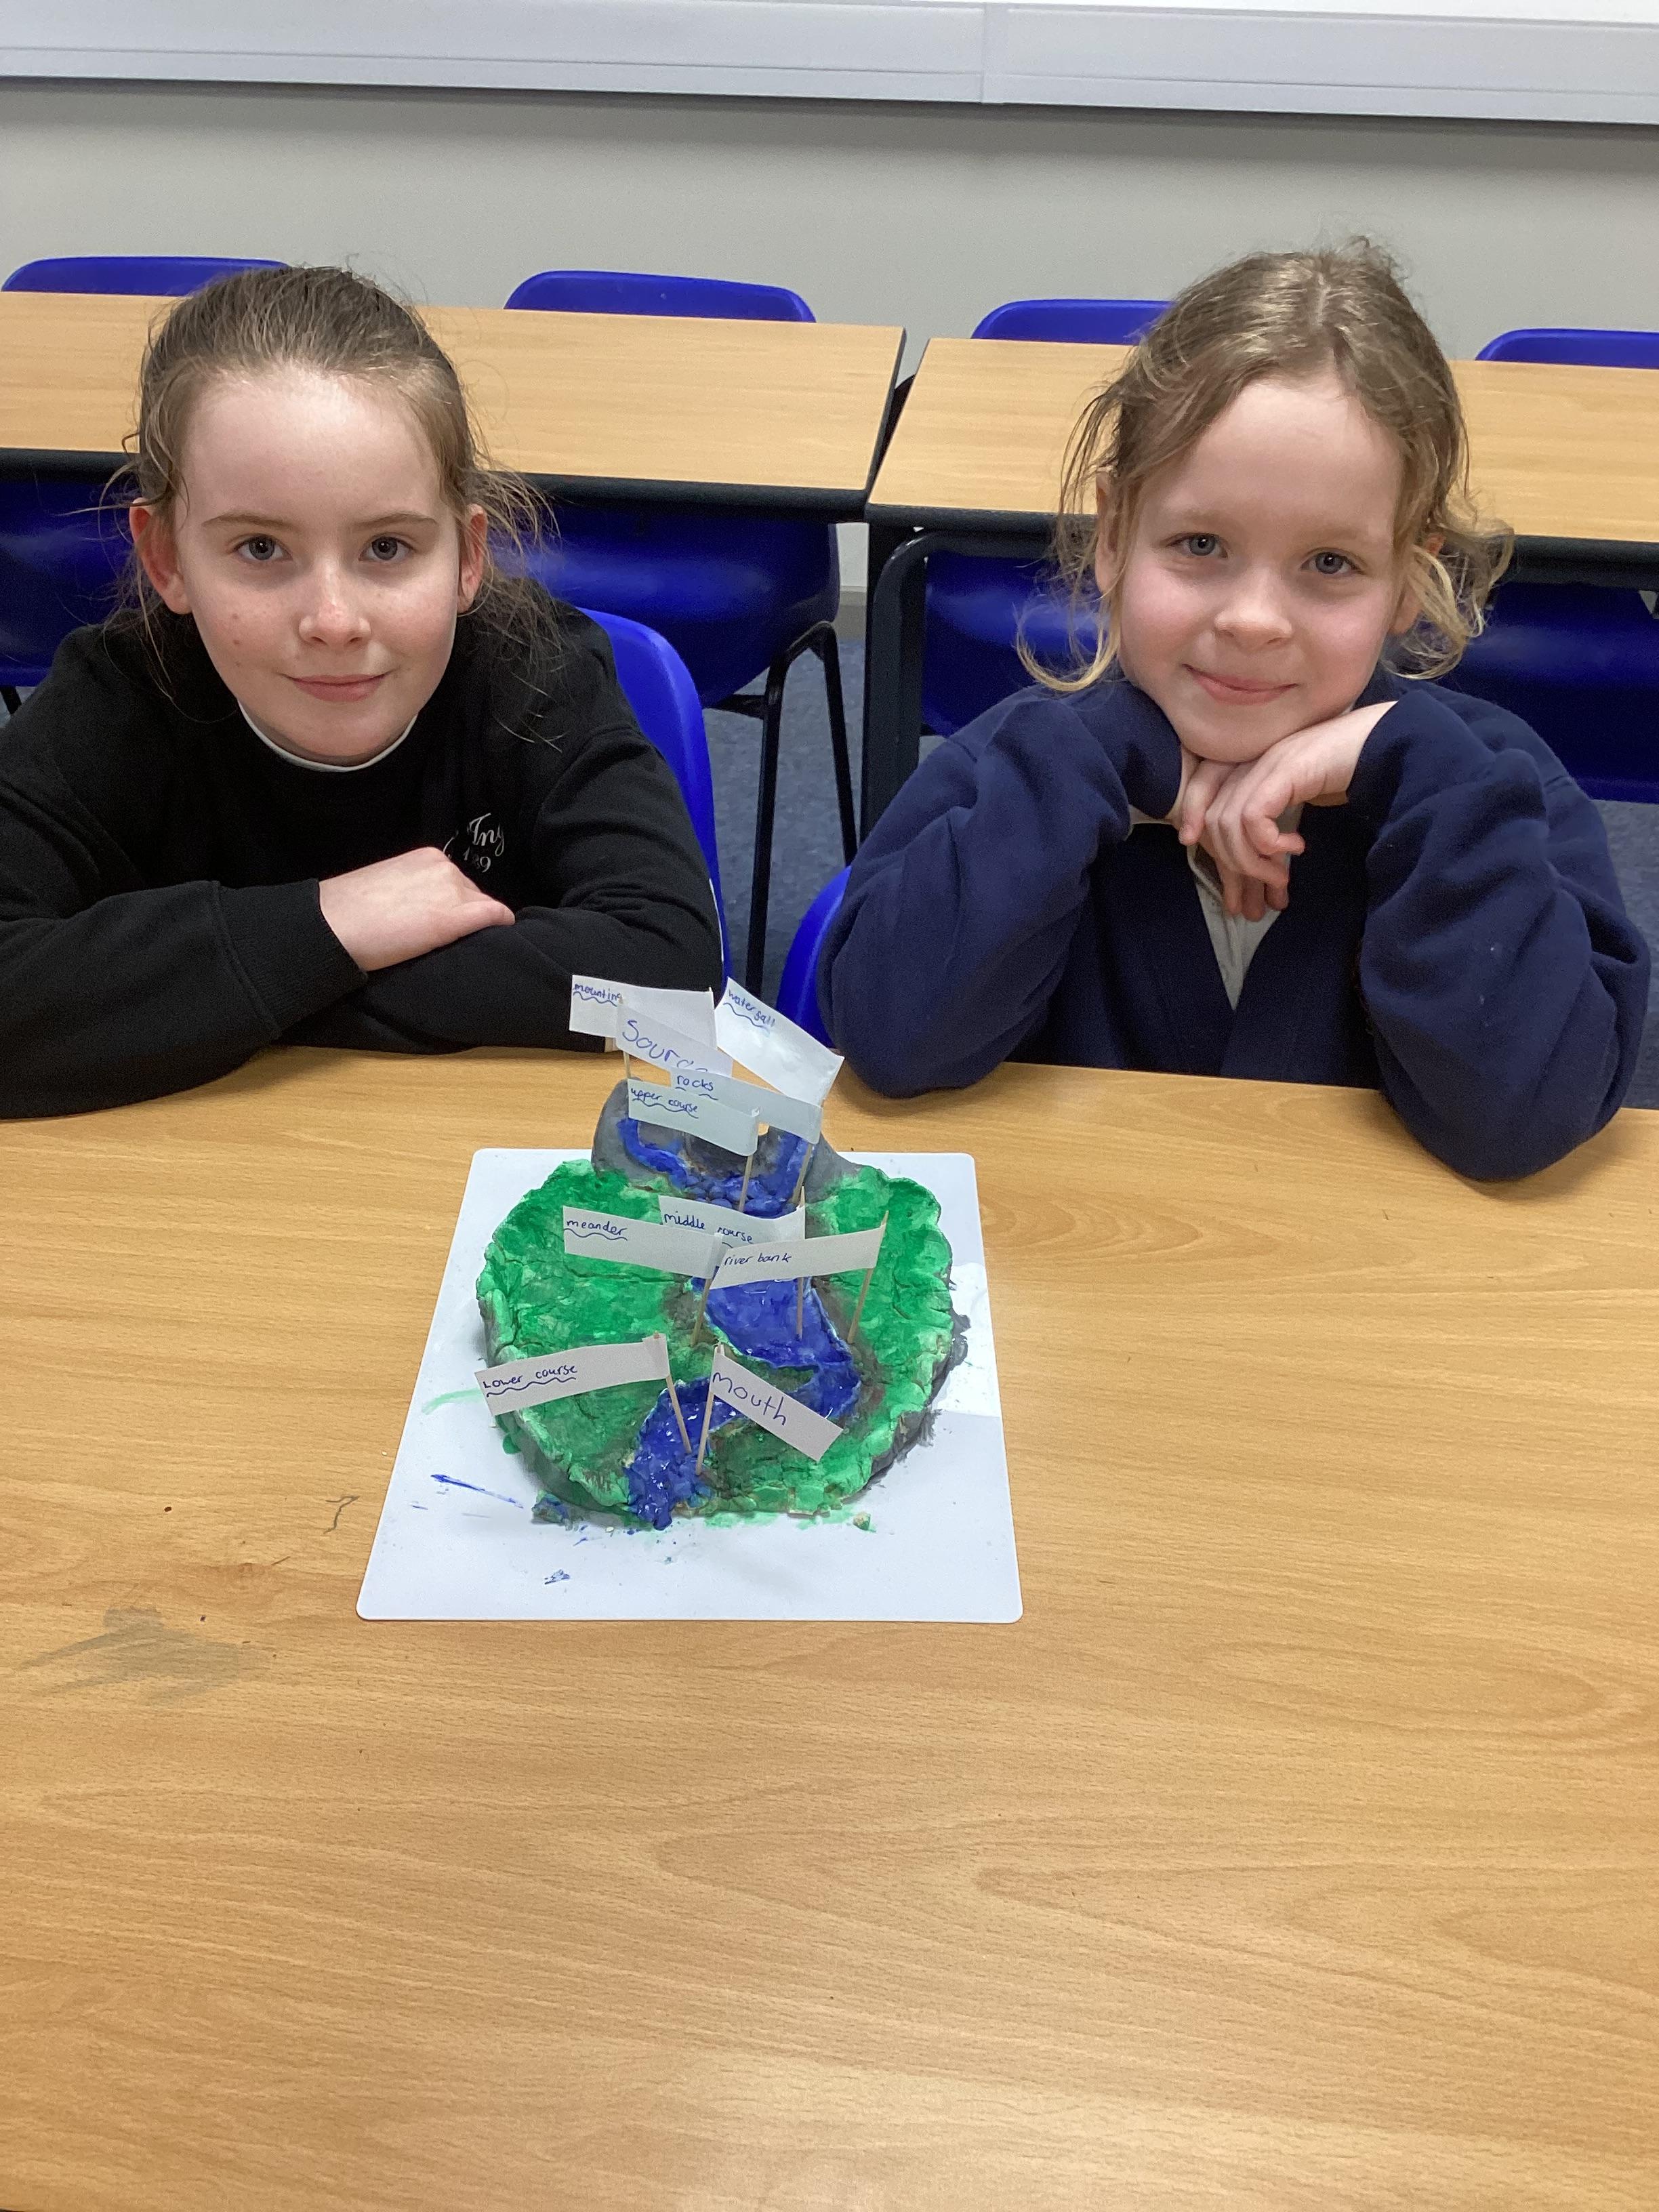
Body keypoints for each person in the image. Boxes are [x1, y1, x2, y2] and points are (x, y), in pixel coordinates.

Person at [821, 243, 1649, 1180]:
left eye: (1330, 564)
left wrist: (1418, 775)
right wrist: (1095, 759)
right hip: (1087, 1249)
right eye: (1201, 544)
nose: (1253, 620)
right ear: (1114, 537)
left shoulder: (1488, 788)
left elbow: (1525, 1120)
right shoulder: (1021, 764)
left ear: (1407, 584)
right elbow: (891, 1039)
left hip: (1367, 1263)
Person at [0, 265, 724, 1119]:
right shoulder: (116, 700)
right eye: (261, 549)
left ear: (468, 556)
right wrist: (331, 924)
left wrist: (213, 997)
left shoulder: (535, 674)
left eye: (386, 548)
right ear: (166, 559)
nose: (334, 622)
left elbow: (666, 981)